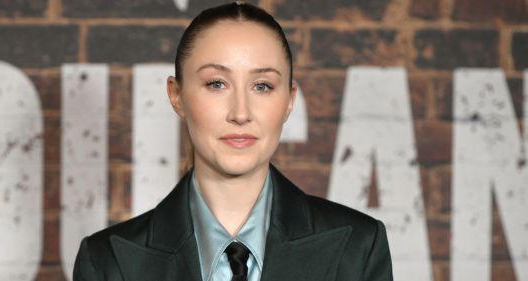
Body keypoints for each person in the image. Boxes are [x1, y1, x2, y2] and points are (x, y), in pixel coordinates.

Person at [73, 2, 393, 281]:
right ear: (177, 95)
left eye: (263, 86)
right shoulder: (106, 262)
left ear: (289, 100)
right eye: (216, 84)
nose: (241, 113)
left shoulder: (359, 247)